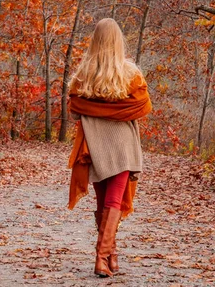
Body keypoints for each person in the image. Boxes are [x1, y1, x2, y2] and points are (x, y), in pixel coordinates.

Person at [66, 18, 152, 278]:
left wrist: (97, 110)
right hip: (123, 147)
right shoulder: (130, 74)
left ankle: (110, 256)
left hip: (95, 147)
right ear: (118, 42)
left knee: (105, 202)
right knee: (113, 201)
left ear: (95, 41)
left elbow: (74, 111)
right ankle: (101, 257)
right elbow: (143, 107)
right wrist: (117, 111)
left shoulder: (83, 76)